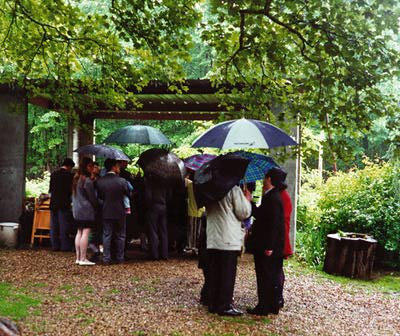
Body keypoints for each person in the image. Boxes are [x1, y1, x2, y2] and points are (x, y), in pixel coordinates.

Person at [206, 185, 251, 316]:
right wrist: (247, 199)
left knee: (215, 272)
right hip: (228, 238)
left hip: (213, 237)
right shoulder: (233, 189)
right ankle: (224, 305)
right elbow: (244, 213)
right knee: (227, 274)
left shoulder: (210, 189)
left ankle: (213, 303)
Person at [246, 168, 285, 316]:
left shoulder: (273, 198)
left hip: (267, 245)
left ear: (269, 179)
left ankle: (264, 306)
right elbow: (261, 214)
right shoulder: (271, 196)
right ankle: (270, 305)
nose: (263, 181)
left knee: (265, 276)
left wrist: (269, 245)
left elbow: (273, 224)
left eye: (265, 178)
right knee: (269, 275)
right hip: (268, 244)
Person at [95, 159, 129, 264]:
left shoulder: (100, 181)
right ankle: (120, 258)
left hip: (106, 210)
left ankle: (106, 258)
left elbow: (98, 197)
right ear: (114, 167)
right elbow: (127, 193)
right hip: (120, 210)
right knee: (121, 235)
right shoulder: (122, 181)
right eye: (118, 166)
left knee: (106, 235)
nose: (119, 168)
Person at [72, 157, 98, 266]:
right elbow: (92, 197)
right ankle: (83, 258)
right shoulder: (86, 181)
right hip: (86, 210)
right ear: (87, 167)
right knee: (86, 233)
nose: (92, 168)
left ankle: (78, 257)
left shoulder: (76, 178)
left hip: (77, 210)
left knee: (79, 232)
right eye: (91, 166)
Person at [274, 169, 293, 308]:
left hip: (279, 237)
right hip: (280, 236)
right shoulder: (282, 195)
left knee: (276, 268)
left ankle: (278, 297)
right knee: (277, 268)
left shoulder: (281, 196)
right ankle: (277, 296)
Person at [49, 158, 75, 251]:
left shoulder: (53, 174)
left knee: (54, 226)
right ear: (69, 166)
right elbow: (70, 190)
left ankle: (54, 246)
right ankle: (65, 246)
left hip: (53, 202)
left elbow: (50, 190)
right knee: (64, 226)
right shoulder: (69, 175)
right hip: (64, 203)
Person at [144, 173, 171, 260]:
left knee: (153, 231)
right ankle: (164, 254)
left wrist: (148, 205)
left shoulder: (150, 183)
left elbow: (148, 196)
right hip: (163, 206)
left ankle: (154, 254)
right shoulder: (165, 182)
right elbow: (169, 195)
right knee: (163, 231)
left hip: (153, 207)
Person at [185, 173, 205, 254]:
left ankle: (191, 246)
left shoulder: (190, 185)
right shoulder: (202, 186)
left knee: (191, 230)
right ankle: (197, 246)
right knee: (198, 230)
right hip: (201, 211)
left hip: (191, 211)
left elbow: (184, 181)